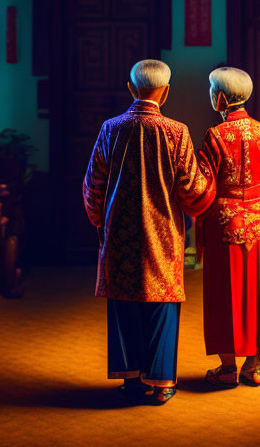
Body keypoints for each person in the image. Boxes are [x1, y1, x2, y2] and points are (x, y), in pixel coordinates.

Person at [83, 59, 213, 405]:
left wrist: (100, 220)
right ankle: (161, 382)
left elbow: (92, 184)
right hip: (163, 233)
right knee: (162, 302)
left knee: (124, 301)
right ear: (166, 92)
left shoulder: (111, 128)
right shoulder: (176, 132)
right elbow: (191, 187)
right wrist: (209, 187)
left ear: (131, 89)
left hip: (121, 231)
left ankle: (130, 378)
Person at [197, 67, 260, 388]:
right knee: (259, 289)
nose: (210, 95)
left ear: (221, 97)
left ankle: (227, 369)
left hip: (225, 222)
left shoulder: (215, 135)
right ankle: (254, 367)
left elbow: (203, 183)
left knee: (226, 290)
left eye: (211, 89)